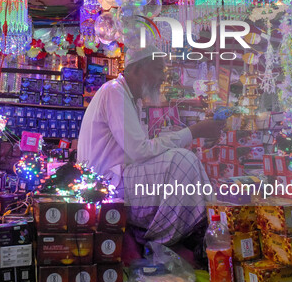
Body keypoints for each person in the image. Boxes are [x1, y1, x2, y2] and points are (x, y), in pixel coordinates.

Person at [78, 45, 223, 246]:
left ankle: (211, 225)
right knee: (182, 162)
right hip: (107, 186)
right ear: (136, 69)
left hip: (117, 179)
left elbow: (140, 151)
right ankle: (167, 239)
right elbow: (140, 151)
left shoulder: (130, 98)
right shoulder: (114, 92)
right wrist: (194, 132)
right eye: (157, 70)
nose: (163, 78)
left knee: (185, 162)